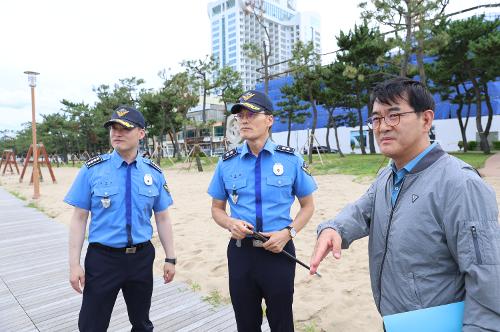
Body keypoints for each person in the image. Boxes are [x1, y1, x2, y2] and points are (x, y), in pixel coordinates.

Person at [310, 77, 500, 330]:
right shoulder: (387, 175)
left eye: (394, 115)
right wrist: (334, 228)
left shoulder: (461, 185)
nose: (383, 127)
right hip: (396, 320)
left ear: (426, 119)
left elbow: (487, 281)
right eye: (376, 118)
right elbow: (361, 211)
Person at [208, 90, 317, 331]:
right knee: (246, 323)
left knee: (281, 322)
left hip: (279, 251)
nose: (243, 120)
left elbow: (308, 206)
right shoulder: (226, 162)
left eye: (251, 114)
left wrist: (288, 233)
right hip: (241, 253)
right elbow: (217, 209)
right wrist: (229, 223)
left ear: (269, 119)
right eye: (240, 116)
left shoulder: (291, 159)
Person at [65, 105, 177, 331]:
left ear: (141, 133)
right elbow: (79, 219)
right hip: (103, 258)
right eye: (114, 128)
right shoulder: (92, 170)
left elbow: (162, 218)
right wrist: (74, 264)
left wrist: (171, 258)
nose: (117, 133)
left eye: (125, 128)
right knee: (91, 324)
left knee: (141, 322)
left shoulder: (153, 172)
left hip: (141, 258)